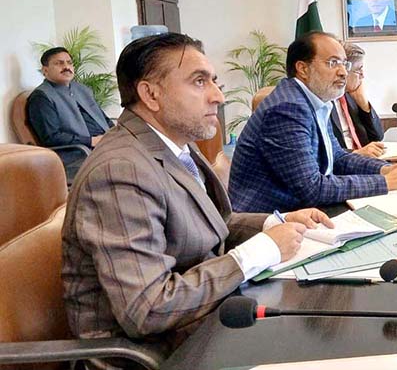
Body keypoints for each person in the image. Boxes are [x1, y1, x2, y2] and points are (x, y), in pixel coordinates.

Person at [61, 33, 333, 369]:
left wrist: (274, 223)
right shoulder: (121, 170)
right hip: (155, 355)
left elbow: (205, 222)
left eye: (214, 81)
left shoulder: (172, 144)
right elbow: (148, 309)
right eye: (199, 81)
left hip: (202, 324)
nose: (218, 96)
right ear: (150, 94)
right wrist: (258, 251)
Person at [229, 31, 397, 213]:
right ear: (303, 68)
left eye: (344, 63)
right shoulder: (287, 109)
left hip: (301, 212)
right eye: (333, 63)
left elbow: (338, 158)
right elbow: (312, 188)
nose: (343, 72)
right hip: (268, 222)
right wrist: (385, 182)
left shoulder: (315, 101)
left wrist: (384, 169)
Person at [27, 47, 114, 176]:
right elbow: (51, 137)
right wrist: (91, 141)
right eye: (59, 63)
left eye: (69, 62)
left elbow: (103, 118)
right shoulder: (41, 97)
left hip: (104, 146)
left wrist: (115, 133)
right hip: (77, 155)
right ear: (45, 70)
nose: (66, 66)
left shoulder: (81, 89)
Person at [330, 41, 385, 158]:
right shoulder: (324, 101)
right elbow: (325, 151)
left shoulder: (350, 96)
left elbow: (378, 136)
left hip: (365, 162)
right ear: (344, 71)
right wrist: (356, 154)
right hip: (344, 166)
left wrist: (364, 104)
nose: (363, 75)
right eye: (359, 70)